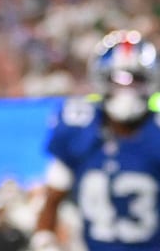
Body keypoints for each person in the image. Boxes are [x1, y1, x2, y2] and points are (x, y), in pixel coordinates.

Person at [32, 29, 160, 250]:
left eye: (135, 80)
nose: (126, 91)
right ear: (101, 80)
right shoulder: (79, 127)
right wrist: (44, 242)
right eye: (117, 80)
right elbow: (52, 200)